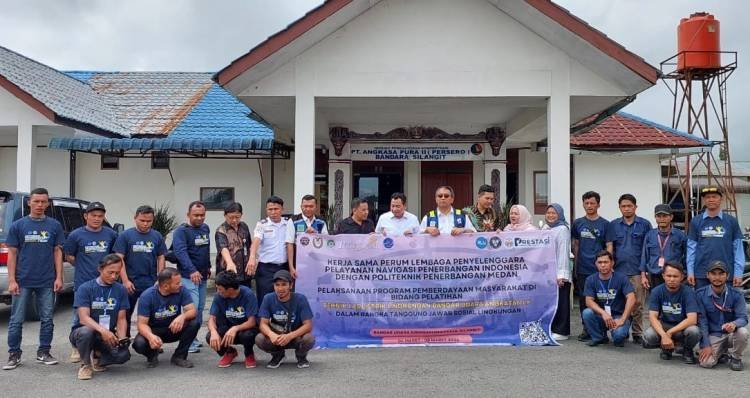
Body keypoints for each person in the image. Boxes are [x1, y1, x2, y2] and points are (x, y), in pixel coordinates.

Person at [3, 187, 65, 370]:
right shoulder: (18, 226)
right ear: (29, 202)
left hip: (46, 281)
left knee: (47, 319)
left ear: (48, 203)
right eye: (36, 201)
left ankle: (44, 352)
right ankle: (14, 354)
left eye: (43, 201)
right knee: (16, 320)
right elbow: (12, 255)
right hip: (22, 281)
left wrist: (59, 277)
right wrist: (12, 280)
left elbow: (57, 253)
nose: (39, 205)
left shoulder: (54, 225)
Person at [63, 201, 118, 363]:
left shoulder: (111, 234)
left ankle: (100, 347)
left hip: (106, 283)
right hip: (83, 283)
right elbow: (70, 256)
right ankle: (76, 347)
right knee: (78, 317)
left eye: (100, 216)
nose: (96, 218)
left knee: (104, 313)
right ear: (86, 216)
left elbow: (114, 257)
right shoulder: (75, 235)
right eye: (93, 215)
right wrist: (83, 266)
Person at [69, 254, 130, 380]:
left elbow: (121, 319)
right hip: (82, 332)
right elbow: (83, 318)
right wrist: (103, 331)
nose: (114, 276)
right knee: (87, 331)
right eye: (110, 272)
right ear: (100, 269)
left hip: (106, 334)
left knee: (123, 355)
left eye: (117, 273)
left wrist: (122, 339)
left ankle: (98, 357)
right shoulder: (85, 288)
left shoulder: (120, 290)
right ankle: (85, 365)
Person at [113, 205, 167, 337]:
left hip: (150, 283)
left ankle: (150, 341)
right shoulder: (125, 236)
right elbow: (119, 259)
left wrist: (160, 278)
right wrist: (125, 281)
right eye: (142, 220)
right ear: (135, 218)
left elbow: (161, 257)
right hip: (130, 283)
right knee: (124, 314)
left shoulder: (157, 236)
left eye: (149, 221)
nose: (145, 223)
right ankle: (123, 341)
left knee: (152, 315)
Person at [606, 193, 652, 345]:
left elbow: (647, 249)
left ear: (635, 207)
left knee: (638, 303)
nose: (626, 209)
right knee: (620, 303)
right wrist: (610, 268)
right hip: (619, 271)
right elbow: (610, 248)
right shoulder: (613, 225)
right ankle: (623, 328)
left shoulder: (645, 224)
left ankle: (637, 332)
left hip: (637, 271)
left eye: (629, 206)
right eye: (623, 206)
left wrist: (644, 271)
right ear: (619, 208)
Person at [132, 268, 199, 368]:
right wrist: (150, 336)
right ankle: (152, 354)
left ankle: (179, 356)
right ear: (166, 286)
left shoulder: (182, 290)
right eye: (177, 283)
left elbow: (192, 311)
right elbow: (141, 324)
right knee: (139, 344)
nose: (180, 284)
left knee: (194, 323)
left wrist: (182, 316)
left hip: (173, 328)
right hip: (155, 331)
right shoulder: (147, 296)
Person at [172, 201, 211, 354]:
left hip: (202, 276)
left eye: (202, 215)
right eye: (196, 215)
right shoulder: (181, 231)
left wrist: (207, 266)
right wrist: (192, 270)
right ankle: (187, 342)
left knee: (200, 309)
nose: (199, 218)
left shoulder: (205, 228)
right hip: (188, 277)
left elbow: (206, 249)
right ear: (188, 215)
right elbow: (181, 252)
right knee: (191, 310)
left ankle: (193, 338)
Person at [687, 186, 745, 289]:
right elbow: (691, 250)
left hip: (725, 274)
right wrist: (690, 272)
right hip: (701, 274)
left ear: (721, 199)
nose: (711, 199)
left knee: (725, 305)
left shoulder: (731, 221)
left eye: (714, 196)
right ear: (704, 200)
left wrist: (738, 273)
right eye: (708, 197)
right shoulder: (696, 221)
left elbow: (738, 250)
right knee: (702, 304)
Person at [256, 270, 315, 369]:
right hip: (277, 338)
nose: (280, 288)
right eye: (277, 285)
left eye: (284, 284)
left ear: (290, 285)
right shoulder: (268, 298)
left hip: (295, 336)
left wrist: (290, 336)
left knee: (309, 338)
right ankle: (278, 355)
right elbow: (263, 324)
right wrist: (272, 335)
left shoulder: (300, 299)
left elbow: (308, 325)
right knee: (259, 338)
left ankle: (301, 356)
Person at [642, 262, 699, 364]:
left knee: (694, 331)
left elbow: (692, 319)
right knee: (649, 335)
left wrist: (669, 333)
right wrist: (664, 335)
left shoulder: (688, 292)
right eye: (669, 276)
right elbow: (653, 317)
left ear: (682, 277)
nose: (672, 279)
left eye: (675, 276)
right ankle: (666, 348)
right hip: (665, 325)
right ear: (663, 276)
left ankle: (687, 350)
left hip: (682, 327)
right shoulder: (656, 291)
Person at [696, 260, 748, 371]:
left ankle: (736, 357)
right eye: (713, 274)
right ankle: (722, 352)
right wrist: (706, 345)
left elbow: (743, 318)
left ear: (727, 275)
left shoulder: (737, 294)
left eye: (721, 274)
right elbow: (702, 322)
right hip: (713, 335)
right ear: (707, 275)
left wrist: (734, 324)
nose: (717, 277)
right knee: (706, 363)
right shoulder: (700, 294)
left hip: (731, 334)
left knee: (743, 332)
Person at [571, 191, 609, 341]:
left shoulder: (605, 224)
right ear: (583, 204)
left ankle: (602, 330)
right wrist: (575, 265)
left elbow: (609, 245)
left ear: (598, 204)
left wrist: (608, 266)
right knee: (583, 300)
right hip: (583, 268)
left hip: (600, 269)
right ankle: (586, 328)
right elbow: (576, 245)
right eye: (586, 203)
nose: (589, 206)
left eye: (592, 203)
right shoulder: (578, 223)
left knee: (600, 299)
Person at [582, 250, 636, 347]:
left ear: (612, 263)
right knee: (587, 312)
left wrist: (623, 319)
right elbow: (588, 301)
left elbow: (631, 298)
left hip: (618, 316)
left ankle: (621, 333)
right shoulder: (590, 279)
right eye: (600, 262)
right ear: (596, 264)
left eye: (606, 262)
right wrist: (603, 313)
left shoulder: (622, 278)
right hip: (602, 316)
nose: (603, 265)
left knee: (618, 338)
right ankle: (599, 338)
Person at [206, 271, 259, 369]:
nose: (217, 291)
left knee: (247, 335)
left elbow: (252, 321)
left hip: (246, 329)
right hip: (227, 329)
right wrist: (213, 332)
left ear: (230, 289)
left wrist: (235, 328)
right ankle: (229, 352)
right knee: (210, 336)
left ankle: (249, 354)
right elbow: (211, 318)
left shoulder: (248, 294)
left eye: (220, 289)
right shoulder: (219, 296)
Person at [249, 196, 294, 305]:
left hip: (283, 267)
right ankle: (262, 321)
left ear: (282, 209)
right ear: (266, 210)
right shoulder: (262, 224)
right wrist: (252, 257)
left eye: (276, 209)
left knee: (283, 297)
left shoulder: (288, 222)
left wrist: (291, 267)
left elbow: (290, 244)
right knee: (264, 298)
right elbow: (256, 240)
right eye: (270, 209)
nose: (273, 212)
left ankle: (280, 321)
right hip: (265, 268)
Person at [542, 203, 572, 340]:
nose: (551, 215)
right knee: (551, 302)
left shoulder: (562, 229)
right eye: (548, 213)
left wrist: (561, 275)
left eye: (554, 213)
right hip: (547, 273)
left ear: (559, 214)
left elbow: (563, 253)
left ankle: (562, 331)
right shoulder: (545, 228)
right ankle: (552, 328)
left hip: (559, 273)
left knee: (562, 302)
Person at [640, 204, 686, 289]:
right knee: (656, 300)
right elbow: (644, 256)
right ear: (655, 217)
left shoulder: (680, 235)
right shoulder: (650, 235)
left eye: (665, 216)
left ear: (671, 217)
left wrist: (684, 273)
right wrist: (643, 276)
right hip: (654, 275)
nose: (662, 219)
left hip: (673, 276)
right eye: (659, 216)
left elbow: (686, 256)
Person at [215, 202, 253, 289]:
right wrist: (230, 263)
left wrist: (253, 259)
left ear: (241, 215)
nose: (234, 220)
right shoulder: (221, 230)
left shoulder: (244, 226)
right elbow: (223, 248)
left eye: (237, 217)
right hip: (229, 274)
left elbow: (249, 245)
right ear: (225, 215)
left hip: (245, 273)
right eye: (231, 217)